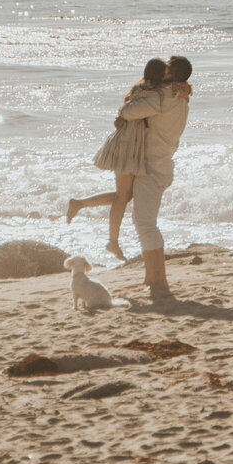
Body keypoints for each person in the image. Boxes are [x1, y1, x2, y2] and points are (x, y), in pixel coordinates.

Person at [66, 57, 167, 258]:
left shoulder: (142, 89)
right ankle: (112, 242)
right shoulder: (152, 96)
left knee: (125, 195)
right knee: (123, 196)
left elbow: (127, 112)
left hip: (128, 145)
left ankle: (80, 204)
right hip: (128, 147)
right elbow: (130, 112)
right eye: (166, 74)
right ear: (160, 75)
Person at [114, 53, 192, 294]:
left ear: (172, 75)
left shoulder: (162, 97)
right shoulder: (181, 98)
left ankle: (159, 281)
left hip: (152, 168)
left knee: (146, 224)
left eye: (166, 69)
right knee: (144, 222)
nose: (163, 72)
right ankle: (151, 278)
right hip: (162, 164)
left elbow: (128, 111)